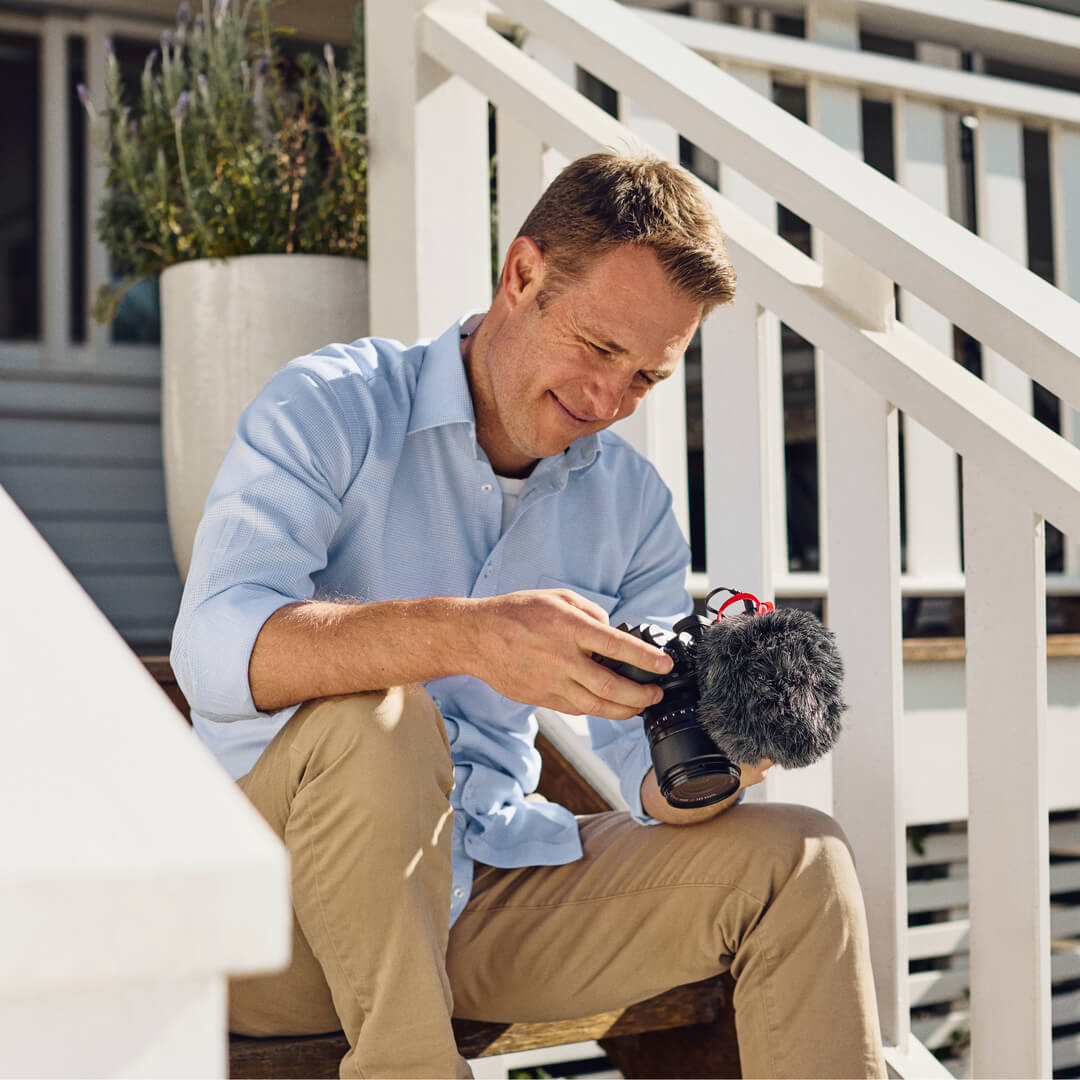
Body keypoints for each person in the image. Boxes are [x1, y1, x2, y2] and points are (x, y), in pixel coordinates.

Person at [171, 151, 886, 1079]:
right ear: (523, 274)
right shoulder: (333, 405)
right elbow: (215, 645)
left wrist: (721, 749)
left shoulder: (631, 504)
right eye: (596, 348)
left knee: (802, 861)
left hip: (483, 897)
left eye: (644, 380)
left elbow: (644, 774)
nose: (606, 401)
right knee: (379, 712)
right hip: (274, 921)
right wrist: (467, 634)